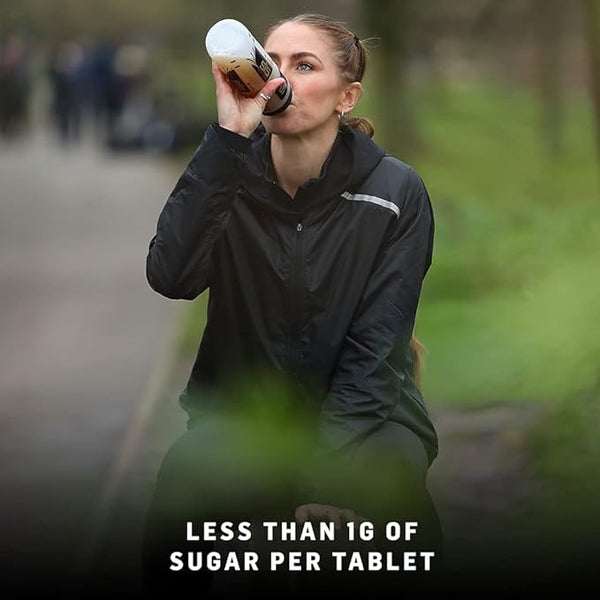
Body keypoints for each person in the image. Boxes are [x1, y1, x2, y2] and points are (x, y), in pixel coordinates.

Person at [142, 13, 443, 599]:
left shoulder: (394, 192)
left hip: (370, 418)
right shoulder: (226, 173)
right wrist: (228, 137)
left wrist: (324, 482)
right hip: (244, 416)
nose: (278, 78)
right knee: (184, 488)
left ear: (346, 97)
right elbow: (171, 277)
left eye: (304, 66)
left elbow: (375, 349)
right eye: (270, 62)